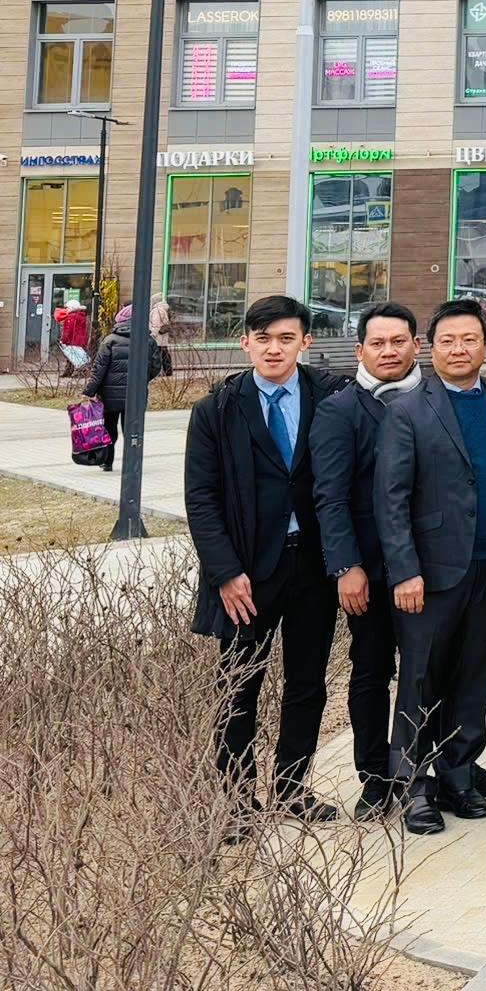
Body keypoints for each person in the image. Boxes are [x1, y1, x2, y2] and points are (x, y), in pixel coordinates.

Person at [183, 292, 344, 823]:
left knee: (307, 682)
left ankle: (293, 789)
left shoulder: (330, 397)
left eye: (286, 338)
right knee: (238, 688)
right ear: (245, 342)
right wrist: (225, 572)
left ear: (305, 342)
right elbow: (201, 499)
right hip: (246, 573)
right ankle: (236, 803)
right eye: (264, 339)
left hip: (313, 567)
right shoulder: (217, 409)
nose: (274, 349)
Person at [377, 300, 486, 835]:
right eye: (447, 341)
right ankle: (413, 786)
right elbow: (390, 498)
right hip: (430, 574)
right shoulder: (407, 409)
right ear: (427, 349)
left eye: (469, 340)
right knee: (419, 678)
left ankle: (458, 771)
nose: (459, 350)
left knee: (474, 676)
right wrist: (404, 570)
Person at [309, 301, 421, 819]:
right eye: (378, 343)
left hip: (432, 568)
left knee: (431, 672)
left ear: (415, 345)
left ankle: (428, 768)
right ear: (360, 351)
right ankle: (375, 777)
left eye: (398, 341)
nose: (389, 351)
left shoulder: (437, 397)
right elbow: (329, 496)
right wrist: (345, 566)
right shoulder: (339, 410)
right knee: (372, 673)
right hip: (370, 574)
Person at [82, 302, 169, 471]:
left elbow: (98, 369)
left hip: (109, 395)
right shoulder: (148, 341)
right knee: (132, 430)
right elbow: (155, 367)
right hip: (135, 395)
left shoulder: (110, 341)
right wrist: (141, 380)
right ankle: (131, 463)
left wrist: (89, 391)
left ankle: (106, 461)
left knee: (109, 428)